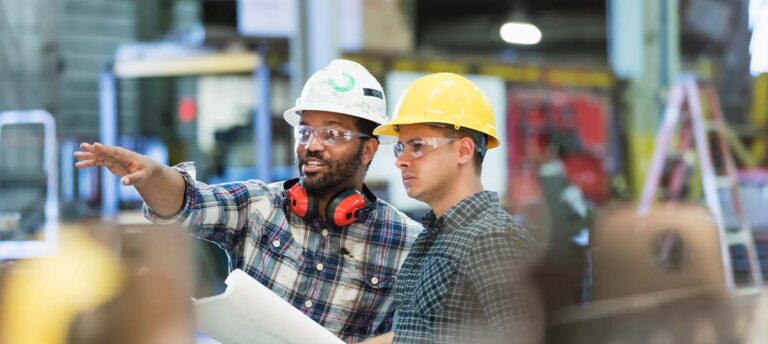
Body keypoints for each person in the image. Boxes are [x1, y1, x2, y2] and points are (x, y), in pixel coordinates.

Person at [74, 59, 423, 343]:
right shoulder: (259, 206)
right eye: (305, 131)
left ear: (369, 149)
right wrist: (151, 175)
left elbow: (426, 330)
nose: (312, 144)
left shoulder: (406, 242)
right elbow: (187, 202)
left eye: (332, 133)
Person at [360, 73, 543, 344]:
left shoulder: (492, 239)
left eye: (418, 146)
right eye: (401, 147)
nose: (401, 161)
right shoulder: (434, 235)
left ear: (464, 151)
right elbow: (421, 333)